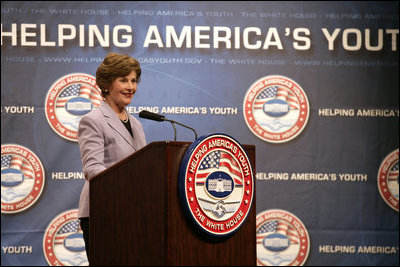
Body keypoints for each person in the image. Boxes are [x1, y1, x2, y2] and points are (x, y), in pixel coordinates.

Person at [77, 52, 147, 260]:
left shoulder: (136, 123)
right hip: (103, 213)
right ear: (106, 84)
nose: (130, 87)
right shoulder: (93, 120)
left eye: (134, 81)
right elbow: (92, 169)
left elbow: (143, 165)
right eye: (123, 80)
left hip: (133, 213)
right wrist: (126, 184)